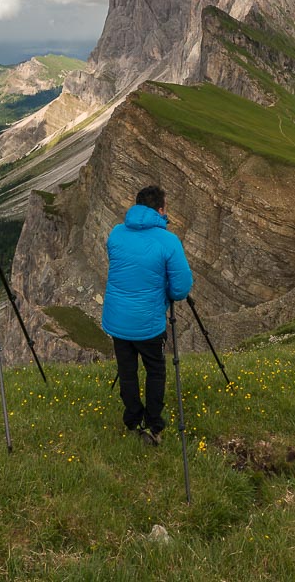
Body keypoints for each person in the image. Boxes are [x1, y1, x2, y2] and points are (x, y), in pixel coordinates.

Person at [101, 184, 193, 446]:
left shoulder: (117, 233)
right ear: (161, 209)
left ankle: (133, 419)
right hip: (148, 322)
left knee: (127, 371)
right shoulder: (168, 241)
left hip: (117, 320)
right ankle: (154, 424)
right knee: (155, 371)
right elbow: (181, 288)